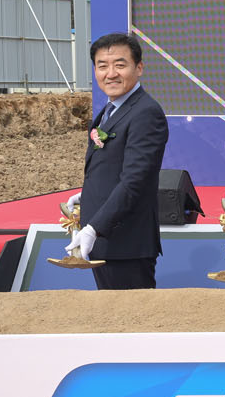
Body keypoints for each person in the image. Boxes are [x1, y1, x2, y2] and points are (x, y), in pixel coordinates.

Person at [72, 31, 169, 290]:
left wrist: (94, 228)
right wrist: (88, 194)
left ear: (139, 68)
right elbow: (112, 167)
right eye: (102, 66)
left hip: (126, 244)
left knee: (132, 314)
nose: (111, 73)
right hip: (106, 242)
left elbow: (135, 181)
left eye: (120, 65)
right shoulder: (110, 109)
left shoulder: (146, 113)